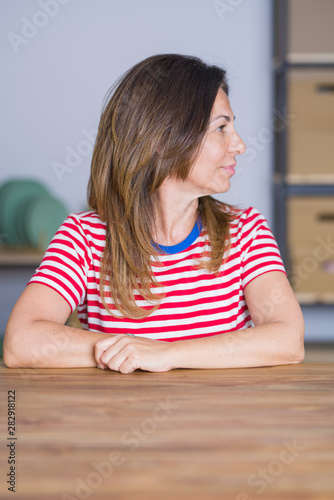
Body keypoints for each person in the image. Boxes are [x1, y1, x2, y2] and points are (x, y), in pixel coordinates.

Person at [3, 54, 304, 373]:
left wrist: (166, 354)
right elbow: (21, 342)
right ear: (162, 139)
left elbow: (287, 338)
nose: (240, 145)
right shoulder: (84, 237)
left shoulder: (247, 231)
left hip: (221, 421)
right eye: (221, 128)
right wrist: (131, 351)